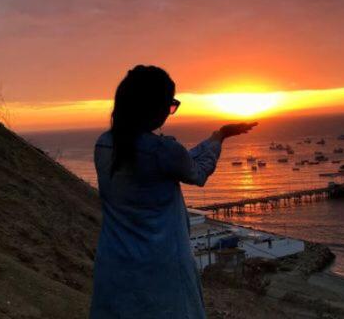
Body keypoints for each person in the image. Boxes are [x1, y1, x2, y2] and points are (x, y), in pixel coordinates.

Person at [90, 65, 256, 319]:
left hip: (115, 263)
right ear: (153, 107)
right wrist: (219, 136)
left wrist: (216, 136)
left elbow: (175, 163)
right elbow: (197, 172)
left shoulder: (104, 144)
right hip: (161, 268)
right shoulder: (163, 151)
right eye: (170, 105)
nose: (169, 113)